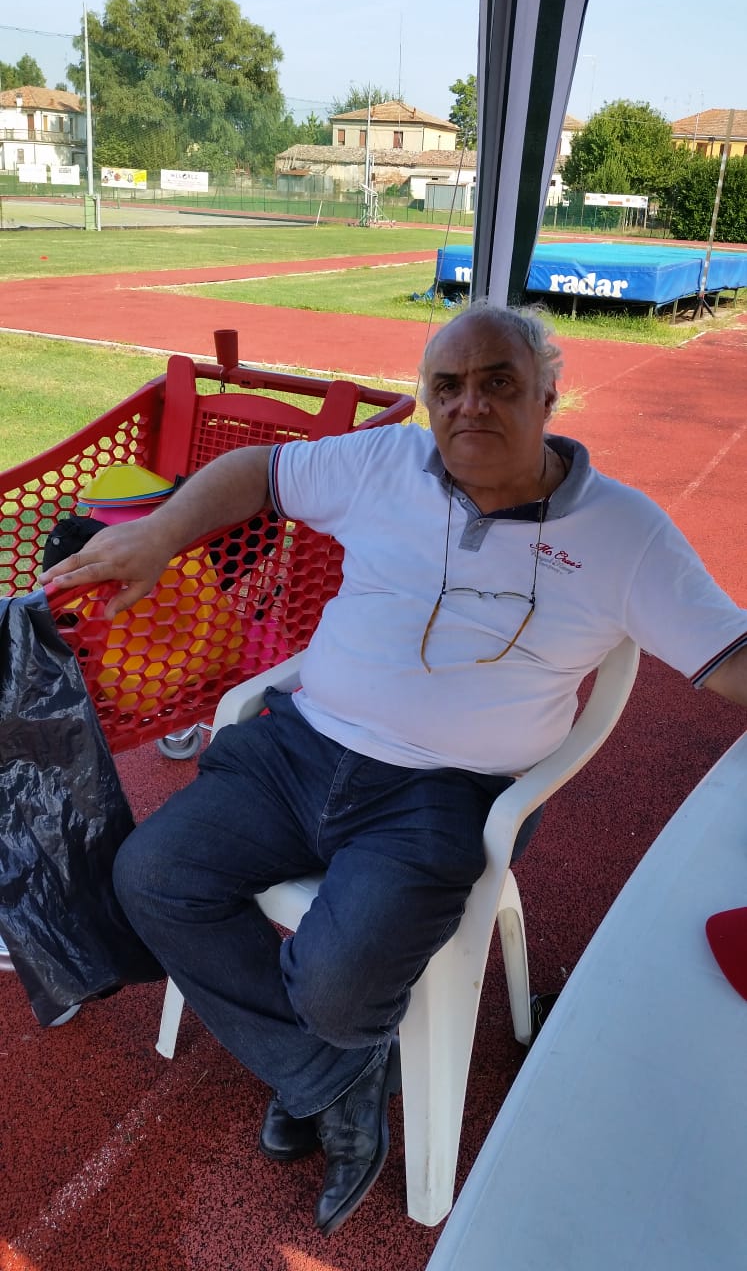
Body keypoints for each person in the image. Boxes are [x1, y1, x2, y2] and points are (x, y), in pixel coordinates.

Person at [40, 303, 747, 1235]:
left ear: (547, 397)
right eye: (446, 386)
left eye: (497, 383)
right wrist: (162, 533)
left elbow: (728, 657)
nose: (467, 405)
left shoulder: (625, 533)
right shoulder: (387, 462)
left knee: (338, 985)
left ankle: (323, 1062)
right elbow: (257, 471)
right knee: (150, 878)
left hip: (445, 793)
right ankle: (333, 1075)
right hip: (298, 749)